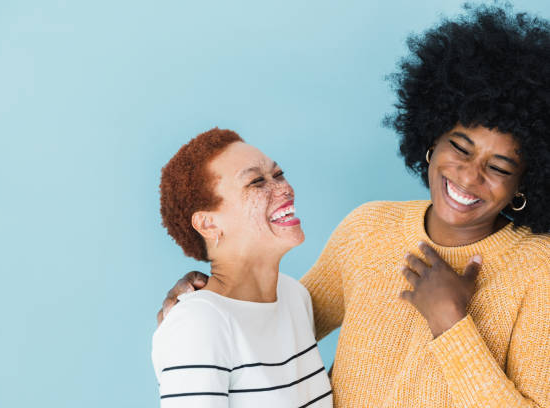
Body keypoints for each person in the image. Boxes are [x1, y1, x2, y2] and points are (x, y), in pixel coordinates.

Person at [158, 4, 550, 407]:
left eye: (500, 167)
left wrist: (450, 324)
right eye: (459, 148)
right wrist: (206, 300)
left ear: (525, 183)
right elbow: (273, 330)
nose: (469, 177)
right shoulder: (369, 229)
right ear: (431, 140)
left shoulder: (540, 270)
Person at [152, 128, 332, 407]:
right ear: (208, 224)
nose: (284, 188)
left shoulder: (295, 297)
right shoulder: (198, 324)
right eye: (257, 182)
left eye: (279, 173)